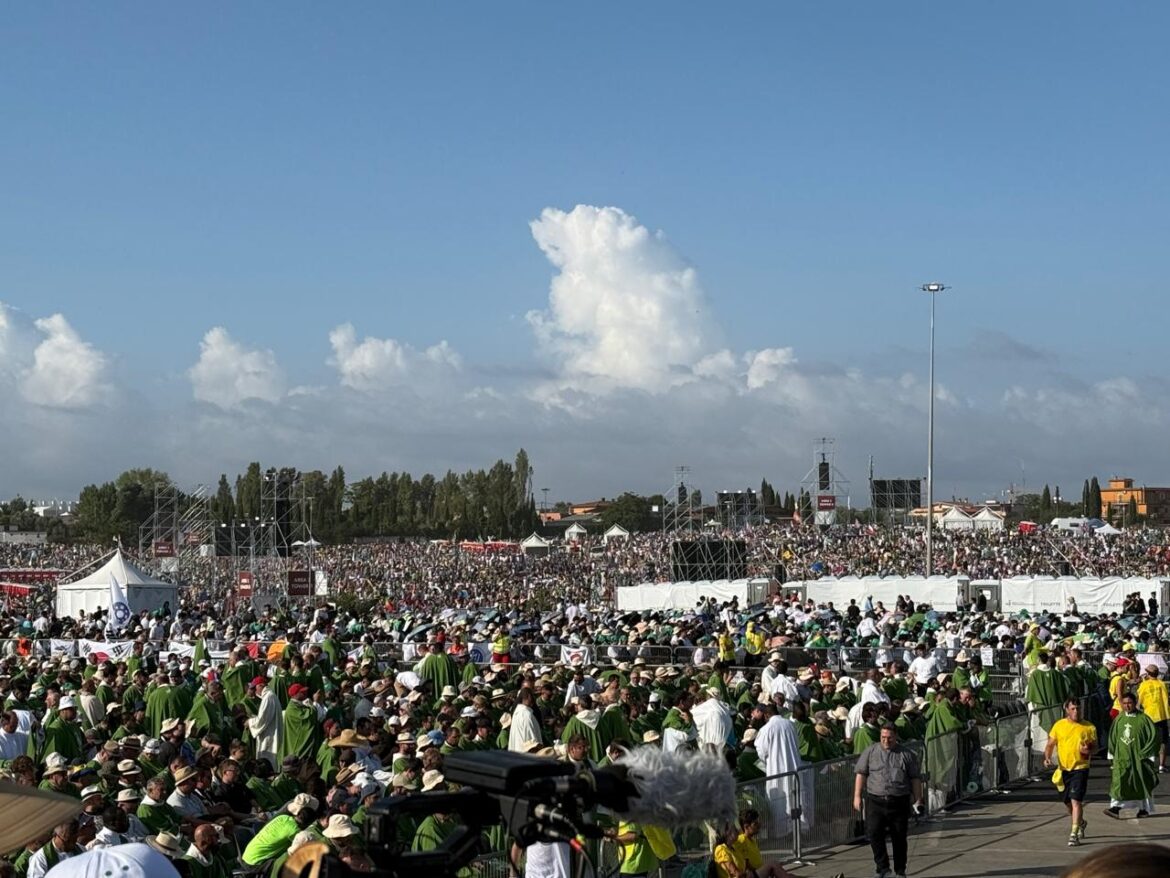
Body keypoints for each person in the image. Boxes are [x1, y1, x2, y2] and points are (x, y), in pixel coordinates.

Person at [853, 724, 922, 878]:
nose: (886, 741)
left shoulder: (906, 754)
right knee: (874, 833)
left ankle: (900, 870)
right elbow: (861, 773)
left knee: (899, 837)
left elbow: (915, 778)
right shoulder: (870, 752)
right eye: (883, 737)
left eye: (889, 738)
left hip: (899, 801)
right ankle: (883, 868)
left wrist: (918, 800)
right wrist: (857, 796)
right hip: (875, 801)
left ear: (896, 737)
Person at [1044, 698, 1097, 846]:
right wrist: (1047, 758)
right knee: (1067, 802)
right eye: (1073, 708)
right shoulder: (1059, 725)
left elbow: (1095, 747)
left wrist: (1088, 750)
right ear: (1067, 710)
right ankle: (1081, 822)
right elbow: (1050, 744)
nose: (1076, 711)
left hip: (1080, 768)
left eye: (1078, 708)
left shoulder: (1089, 727)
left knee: (1076, 800)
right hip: (1063, 770)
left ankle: (1074, 834)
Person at [1104, 691, 1158, 817]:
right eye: (1124, 703)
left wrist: (1146, 754)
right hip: (1122, 758)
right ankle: (1115, 808)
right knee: (1119, 782)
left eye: (1130, 703)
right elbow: (1113, 737)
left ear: (1135, 703)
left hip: (1139, 759)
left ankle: (1144, 809)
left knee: (1140, 782)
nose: (1127, 706)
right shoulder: (1119, 719)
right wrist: (1112, 754)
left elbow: (1153, 737)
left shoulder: (1144, 719)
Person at [1136, 664, 1169, 773]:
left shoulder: (1144, 685)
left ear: (1147, 673)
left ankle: (1149, 764)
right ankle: (1161, 765)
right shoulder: (1162, 684)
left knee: (1148, 739)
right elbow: (1166, 698)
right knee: (1163, 741)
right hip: (1162, 715)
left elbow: (1139, 700)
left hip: (1148, 715)